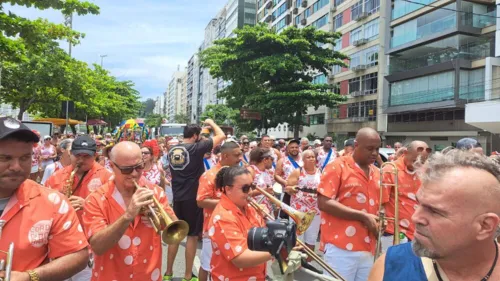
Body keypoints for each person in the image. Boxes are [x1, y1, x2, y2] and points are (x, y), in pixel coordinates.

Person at [369, 149, 500, 281]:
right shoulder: (390, 266)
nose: (415, 218)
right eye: (418, 203)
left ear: (485, 225)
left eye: (435, 211)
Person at [0, 117, 89, 280]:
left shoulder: (53, 202)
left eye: (25, 158)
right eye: (5, 158)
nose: (16, 167)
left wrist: (31, 276)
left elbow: (78, 255)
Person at [82, 141, 176, 281]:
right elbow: (98, 246)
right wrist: (128, 216)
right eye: (127, 169)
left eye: (139, 167)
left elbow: (174, 226)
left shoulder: (155, 192)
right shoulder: (96, 199)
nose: (134, 173)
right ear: (112, 166)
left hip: (149, 276)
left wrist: (161, 216)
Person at [164, 119, 226, 281]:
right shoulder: (196, 148)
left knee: (176, 234)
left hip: (177, 198)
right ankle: (186, 275)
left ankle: (168, 273)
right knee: (191, 236)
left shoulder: (171, 150)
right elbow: (222, 135)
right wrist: (212, 123)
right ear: (195, 135)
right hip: (193, 198)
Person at [318, 127, 382, 281]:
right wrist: (362, 216)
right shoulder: (337, 166)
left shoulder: (377, 172)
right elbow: (323, 202)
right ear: (356, 145)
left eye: (377, 149)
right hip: (341, 247)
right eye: (370, 148)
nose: (374, 153)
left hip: (369, 247)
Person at [207, 166, 271, 281]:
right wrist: (278, 250)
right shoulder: (223, 217)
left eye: (251, 187)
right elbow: (240, 259)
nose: (251, 192)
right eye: (245, 188)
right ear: (228, 189)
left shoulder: (249, 208)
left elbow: (259, 239)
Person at [196, 141, 243, 281]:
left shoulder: (238, 174)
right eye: (237, 155)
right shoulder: (209, 175)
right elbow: (200, 201)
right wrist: (230, 203)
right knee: (207, 266)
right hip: (213, 230)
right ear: (225, 156)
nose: (240, 158)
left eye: (241, 154)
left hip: (236, 227)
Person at [380, 141, 431, 253]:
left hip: (416, 229)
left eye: (422, 161)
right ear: (406, 153)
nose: (418, 164)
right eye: (415, 161)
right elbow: (381, 203)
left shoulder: (423, 171)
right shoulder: (390, 170)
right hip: (393, 231)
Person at [286, 150, 321, 260]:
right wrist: (291, 189)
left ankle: (308, 261)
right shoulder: (298, 171)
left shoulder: (320, 171)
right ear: (303, 159)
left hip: (315, 211)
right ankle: (295, 260)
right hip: (298, 210)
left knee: (311, 237)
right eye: (308, 157)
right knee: (297, 237)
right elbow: (287, 187)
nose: (311, 158)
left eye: (313, 157)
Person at [274, 139, 302, 219]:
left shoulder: (303, 159)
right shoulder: (282, 160)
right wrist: (285, 182)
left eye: (296, 147)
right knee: (286, 217)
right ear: (288, 149)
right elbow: (276, 175)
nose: (294, 149)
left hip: (302, 192)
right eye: (292, 147)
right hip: (288, 192)